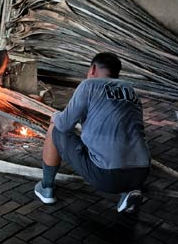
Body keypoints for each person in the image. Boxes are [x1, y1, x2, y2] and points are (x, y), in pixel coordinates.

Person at [34, 52, 151, 213]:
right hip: (141, 173)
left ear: (93, 69)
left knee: (55, 128)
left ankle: (46, 188)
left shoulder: (89, 85)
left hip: (107, 177)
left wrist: (55, 115)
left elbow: (65, 125)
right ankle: (128, 192)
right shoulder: (129, 89)